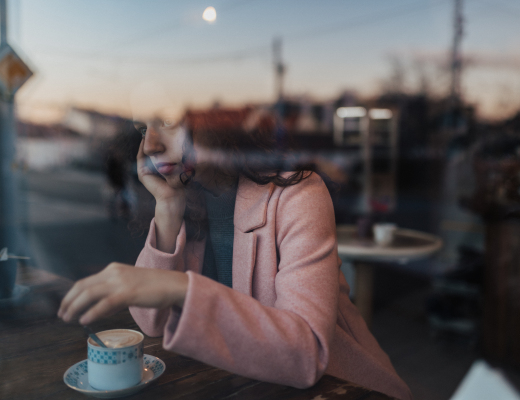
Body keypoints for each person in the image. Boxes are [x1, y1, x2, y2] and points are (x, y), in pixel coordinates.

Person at [58, 111, 412, 400]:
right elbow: (151, 323)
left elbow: (307, 355)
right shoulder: (189, 197)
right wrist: (167, 208)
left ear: (211, 122)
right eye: (142, 128)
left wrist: (181, 288)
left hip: (346, 389)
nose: (149, 144)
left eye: (166, 119)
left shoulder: (298, 195)